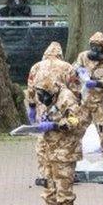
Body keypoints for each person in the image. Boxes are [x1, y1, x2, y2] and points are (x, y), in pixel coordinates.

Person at [24, 70, 82, 205]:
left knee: (63, 192)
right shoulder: (50, 98)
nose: (42, 99)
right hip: (51, 150)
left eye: (43, 95)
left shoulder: (66, 98)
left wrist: (55, 125)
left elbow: (75, 121)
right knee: (50, 189)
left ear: (52, 91)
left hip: (65, 152)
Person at [25, 42, 79, 187]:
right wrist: (73, 104)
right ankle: (66, 171)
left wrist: (32, 106)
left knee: (43, 138)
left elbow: (31, 88)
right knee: (63, 136)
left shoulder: (36, 66)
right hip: (61, 103)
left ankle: (45, 174)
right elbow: (75, 89)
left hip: (42, 103)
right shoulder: (67, 67)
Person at [72, 32, 103, 152]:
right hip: (85, 100)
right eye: (92, 45)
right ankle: (73, 148)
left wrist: (97, 83)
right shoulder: (83, 56)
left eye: (97, 46)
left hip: (100, 102)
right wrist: (79, 71)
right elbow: (74, 68)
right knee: (77, 125)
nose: (94, 49)